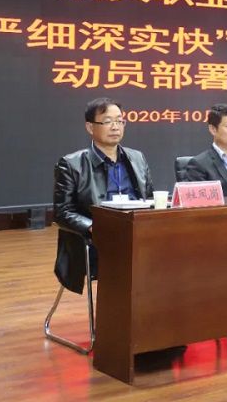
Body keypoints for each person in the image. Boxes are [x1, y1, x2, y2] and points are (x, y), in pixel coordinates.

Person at [53, 97, 154, 294]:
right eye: (108, 121)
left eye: (120, 121)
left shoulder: (137, 158)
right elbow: (62, 212)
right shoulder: (71, 164)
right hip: (98, 239)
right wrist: (93, 227)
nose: (115, 127)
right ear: (90, 127)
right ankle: (119, 310)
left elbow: (149, 199)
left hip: (138, 232)